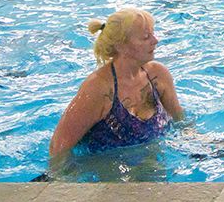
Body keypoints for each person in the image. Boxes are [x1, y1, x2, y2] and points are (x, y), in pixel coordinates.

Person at [47, 9, 183, 171]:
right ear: (121, 46)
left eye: (153, 34)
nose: (155, 40)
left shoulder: (158, 75)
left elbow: (180, 121)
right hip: (106, 166)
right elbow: (58, 147)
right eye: (146, 37)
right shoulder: (99, 88)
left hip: (151, 158)